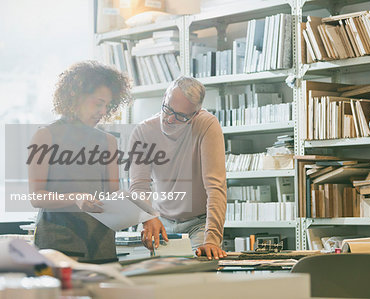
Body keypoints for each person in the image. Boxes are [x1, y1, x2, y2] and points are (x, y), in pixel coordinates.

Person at [28, 61, 131, 263]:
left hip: (101, 244)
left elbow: (112, 195)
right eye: (98, 103)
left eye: (107, 106)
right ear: (76, 97)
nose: (103, 111)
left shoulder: (108, 141)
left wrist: (144, 214)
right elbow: (36, 197)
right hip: (59, 244)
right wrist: (76, 197)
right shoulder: (45, 136)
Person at [129, 76, 227, 260]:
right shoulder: (143, 131)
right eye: (168, 109)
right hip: (160, 221)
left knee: (199, 278)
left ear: (195, 114)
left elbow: (216, 187)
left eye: (181, 116)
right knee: (161, 282)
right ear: (164, 98)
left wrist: (212, 239)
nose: (170, 119)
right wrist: (148, 217)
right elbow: (139, 186)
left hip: (198, 223)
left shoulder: (207, 125)